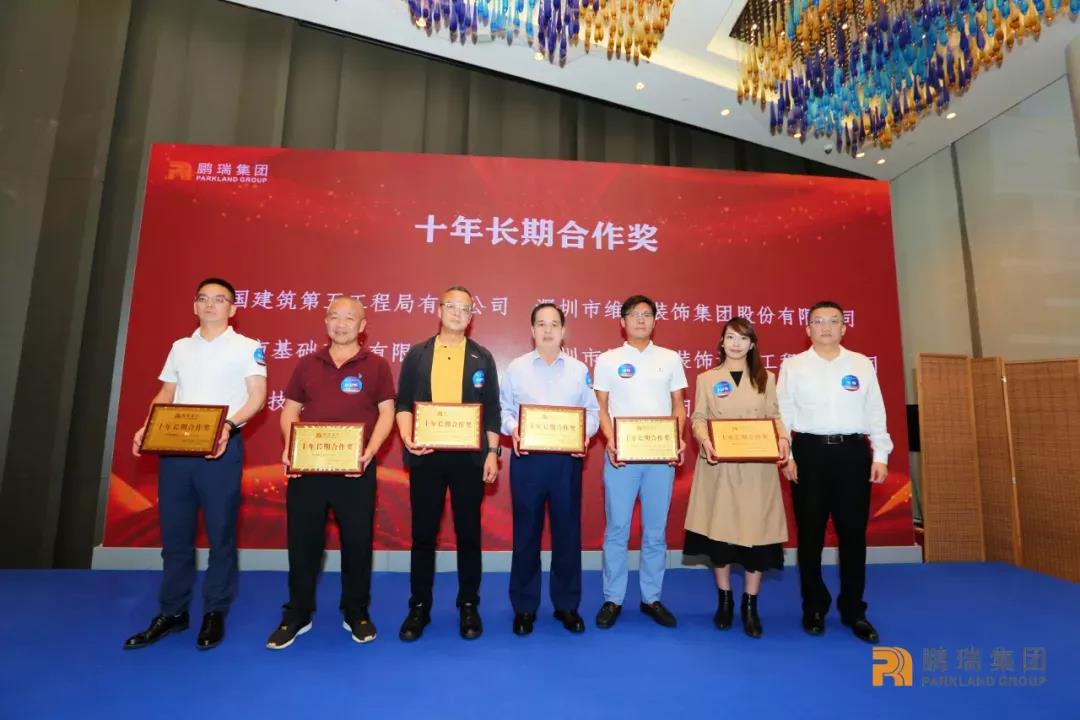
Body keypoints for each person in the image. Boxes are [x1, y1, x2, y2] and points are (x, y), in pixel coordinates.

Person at [124, 278, 267, 651]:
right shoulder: (180, 347)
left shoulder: (247, 347)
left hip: (220, 450)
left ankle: (214, 611)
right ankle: (173, 611)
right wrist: (147, 427)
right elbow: (166, 393)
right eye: (203, 298)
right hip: (176, 452)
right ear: (194, 305)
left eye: (219, 299)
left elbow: (257, 397)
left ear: (233, 309)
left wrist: (228, 426)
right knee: (175, 536)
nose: (210, 305)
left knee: (221, 534)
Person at [265, 297, 396, 650]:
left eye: (349, 318)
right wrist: (291, 446)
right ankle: (297, 613)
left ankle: (356, 612)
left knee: (357, 543)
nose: (341, 324)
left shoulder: (376, 365)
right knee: (303, 543)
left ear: (362, 326)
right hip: (308, 468)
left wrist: (371, 451)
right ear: (325, 322)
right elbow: (289, 410)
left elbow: (387, 412)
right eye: (335, 317)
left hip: (356, 469)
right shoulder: (307, 364)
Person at [777, 300, 892, 644]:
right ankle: (813, 605)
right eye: (818, 321)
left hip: (853, 454)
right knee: (810, 535)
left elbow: (875, 410)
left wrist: (880, 454)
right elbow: (782, 414)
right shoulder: (793, 366)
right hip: (808, 453)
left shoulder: (861, 364)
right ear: (807, 329)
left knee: (853, 535)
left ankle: (854, 609)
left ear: (844, 327)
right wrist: (788, 456)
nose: (825, 327)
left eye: (833, 321)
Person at [394, 286, 501, 641]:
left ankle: (468, 604)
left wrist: (492, 452)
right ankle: (419, 606)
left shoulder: (482, 357)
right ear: (439, 310)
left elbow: (492, 410)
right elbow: (403, 403)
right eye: (451, 306)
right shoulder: (418, 354)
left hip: (469, 459)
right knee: (423, 534)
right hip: (426, 456)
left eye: (465, 308)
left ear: (471, 316)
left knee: (468, 534)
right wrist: (408, 437)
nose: (457, 313)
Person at [683, 317, 790, 638]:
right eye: (730, 337)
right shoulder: (707, 378)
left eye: (743, 338)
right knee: (721, 537)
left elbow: (774, 416)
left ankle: (750, 605)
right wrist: (705, 440)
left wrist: (783, 438)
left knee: (757, 538)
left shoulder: (766, 378)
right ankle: (725, 600)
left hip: (757, 470)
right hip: (721, 468)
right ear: (722, 341)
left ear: (752, 344)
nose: (736, 344)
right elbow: (698, 417)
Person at [499, 303, 600, 636]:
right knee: (526, 534)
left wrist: (583, 434)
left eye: (554, 324)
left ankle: (567, 605)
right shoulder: (516, 368)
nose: (547, 330)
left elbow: (592, 413)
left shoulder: (578, 370)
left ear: (563, 331)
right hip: (528, 460)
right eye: (541, 324)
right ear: (532, 330)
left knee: (567, 533)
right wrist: (513, 429)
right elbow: (504, 410)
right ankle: (524, 607)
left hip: (566, 462)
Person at [592, 294, 687, 629]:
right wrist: (611, 440)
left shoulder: (670, 358)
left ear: (655, 321)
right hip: (622, 457)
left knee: (655, 531)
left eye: (647, 314)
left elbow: (679, 405)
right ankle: (613, 598)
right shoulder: (608, 360)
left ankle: (651, 597)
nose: (641, 320)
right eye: (634, 314)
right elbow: (601, 407)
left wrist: (676, 439)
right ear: (622, 321)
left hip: (660, 458)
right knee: (617, 528)